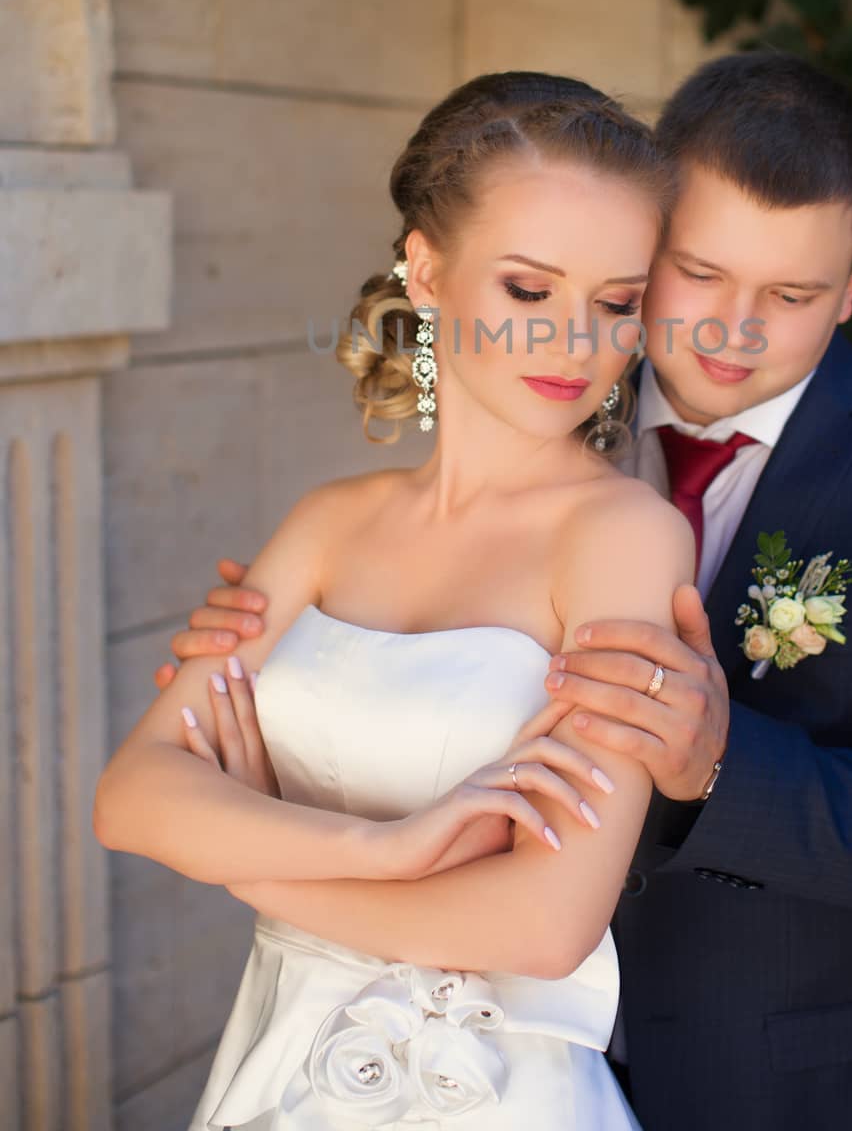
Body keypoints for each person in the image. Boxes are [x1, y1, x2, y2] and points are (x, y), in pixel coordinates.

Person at [169, 52, 852, 1131]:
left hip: (794, 1087)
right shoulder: (547, 393)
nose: (733, 331)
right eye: (696, 273)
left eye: (790, 295)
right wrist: (297, 653)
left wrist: (725, 767)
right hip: (487, 1063)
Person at [96, 75, 700, 1130]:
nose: (573, 341)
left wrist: (250, 863)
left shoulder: (622, 537)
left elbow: (546, 925)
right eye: (527, 289)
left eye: (614, 302)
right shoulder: (329, 521)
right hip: (276, 1066)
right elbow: (132, 796)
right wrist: (380, 850)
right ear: (425, 269)